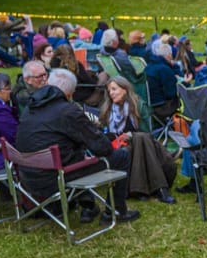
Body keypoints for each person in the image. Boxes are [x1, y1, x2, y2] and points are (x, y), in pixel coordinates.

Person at [13, 68, 140, 223]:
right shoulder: (68, 111)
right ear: (69, 93)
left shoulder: (29, 109)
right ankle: (116, 211)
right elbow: (102, 148)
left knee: (76, 154)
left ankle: (89, 206)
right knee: (120, 156)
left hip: (27, 177)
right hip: (55, 178)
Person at [99, 76, 175, 203]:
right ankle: (161, 189)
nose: (111, 93)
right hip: (120, 146)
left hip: (142, 144)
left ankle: (140, 189)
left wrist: (130, 136)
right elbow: (105, 133)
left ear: (125, 89)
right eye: (109, 91)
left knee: (140, 138)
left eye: (114, 89)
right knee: (139, 140)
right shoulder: (108, 109)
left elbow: (147, 132)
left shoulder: (138, 105)